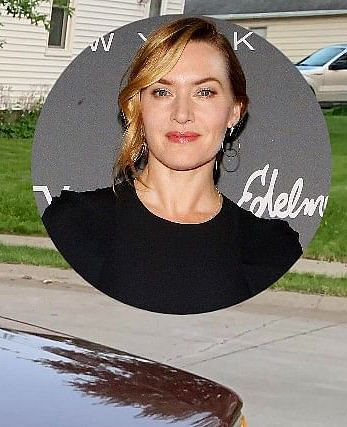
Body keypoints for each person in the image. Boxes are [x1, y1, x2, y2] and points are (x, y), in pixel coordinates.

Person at [42, 17, 301, 314]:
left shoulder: (274, 248)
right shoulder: (71, 224)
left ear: (234, 112)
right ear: (137, 109)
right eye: (162, 91)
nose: (182, 114)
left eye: (204, 92)